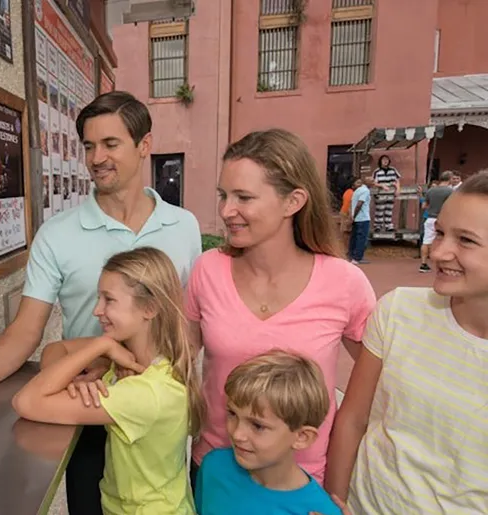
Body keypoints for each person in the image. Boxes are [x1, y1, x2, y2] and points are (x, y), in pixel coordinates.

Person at [0, 91, 202, 514]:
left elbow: (188, 324)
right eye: (89, 146)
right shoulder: (57, 233)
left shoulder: (184, 226)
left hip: (153, 413)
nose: (96, 158)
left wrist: (162, 384)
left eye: (111, 144)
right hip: (84, 407)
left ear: (144, 145)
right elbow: (26, 331)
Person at [184, 129, 377, 486]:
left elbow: (372, 392)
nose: (227, 211)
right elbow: (173, 362)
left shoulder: (344, 283)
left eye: (244, 197)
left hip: (303, 481)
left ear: (294, 201)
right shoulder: (207, 269)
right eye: (223, 195)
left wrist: (336, 489)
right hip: (214, 471)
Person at [325, 170, 488, 514]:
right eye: (440, 233)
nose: (440, 252)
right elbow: (353, 419)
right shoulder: (399, 310)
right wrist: (333, 502)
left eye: (466, 240)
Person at [13, 247, 205, 515]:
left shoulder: (144, 392)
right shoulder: (135, 361)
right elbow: (54, 350)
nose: (96, 310)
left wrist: (99, 347)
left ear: (149, 308)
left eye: (108, 300)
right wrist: (79, 374)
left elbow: (27, 401)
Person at [195, 350, 341, 515]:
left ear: (302, 437)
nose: (237, 434)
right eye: (233, 414)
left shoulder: (319, 510)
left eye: (257, 425)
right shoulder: (213, 467)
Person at [419, 170, 454, 273]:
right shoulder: (450, 192)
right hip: (442, 219)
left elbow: (424, 206)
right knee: (443, 241)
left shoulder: (431, 190)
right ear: (450, 179)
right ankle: (442, 264)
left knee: (426, 241)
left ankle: (423, 263)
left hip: (430, 218)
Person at [348, 176, 373, 265]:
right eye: (371, 181)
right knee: (361, 238)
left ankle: (351, 255)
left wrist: (352, 216)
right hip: (363, 218)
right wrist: (354, 215)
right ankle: (357, 258)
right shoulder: (365, 191)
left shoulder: (357, 191)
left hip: (357, 219)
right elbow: (359, 204)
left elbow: (352, 204)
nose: (373, 183)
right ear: (366, 182)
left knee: (354, 238)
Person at [371, 155, 400, 232]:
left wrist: (398, 189)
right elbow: (374, 183)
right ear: (380, 161)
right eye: (383, 160)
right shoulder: (377, 171)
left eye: (387, 160)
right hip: (380, 193)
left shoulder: (393, 170)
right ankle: (378, 226)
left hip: (390, 193)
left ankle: (388, 226)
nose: (385, 161)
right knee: (379, 210)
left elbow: (397, 180)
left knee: (389, 209)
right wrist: (382, 185)